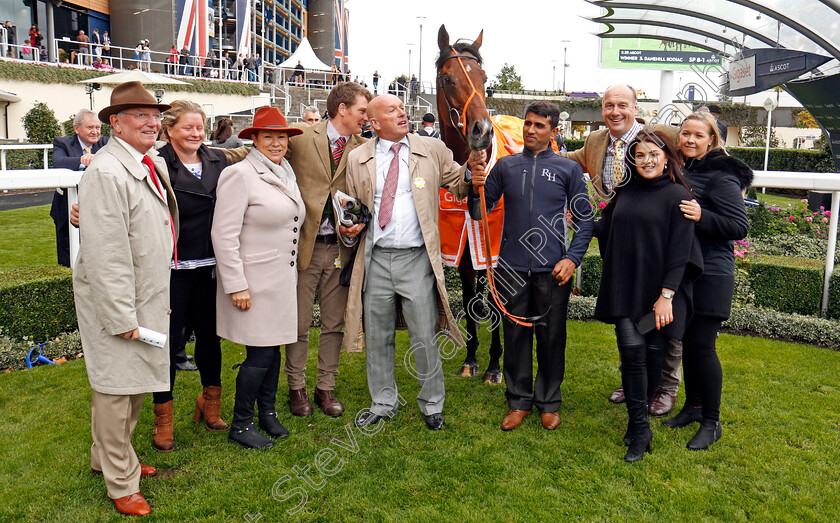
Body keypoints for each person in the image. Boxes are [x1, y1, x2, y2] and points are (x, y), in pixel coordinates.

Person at [341, 94, 482, 431]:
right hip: (375, 258)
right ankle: (383, 403)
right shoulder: (358, 157)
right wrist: (349, 226)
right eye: (392, 111)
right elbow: (349, 207)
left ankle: (433, 404)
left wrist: (473, 167)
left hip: (417, 259)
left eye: (402, 108)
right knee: (377, 337)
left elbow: (458, 182)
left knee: (424, 336)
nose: (402, 113)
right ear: (374, 123)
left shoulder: (430, 149)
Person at [73, 81, 175, 516]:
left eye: (155, 115)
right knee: (117, 391)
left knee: (133, 386)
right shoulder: (107, 171)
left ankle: (109, 459)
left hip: (145, 296)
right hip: (121, 302)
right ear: (114, 123)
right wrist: (121, 316)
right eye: (141, 116)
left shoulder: (147, 162)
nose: (153, 122)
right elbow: (106, 253)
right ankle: (120, 482)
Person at [469, 101, 593, 431]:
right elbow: (478, 211)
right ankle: (519, 401)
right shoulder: (506, 166)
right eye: (528, 123)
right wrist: (474, 184)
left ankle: (549, 402)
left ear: (555, 131)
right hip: (511, 267)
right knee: (515, 336)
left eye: (539, 125)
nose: (530, 129)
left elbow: (585, 220)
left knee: (552, 337)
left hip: (553, 269)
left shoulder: (568, 170)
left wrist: (572, 258)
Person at [563, 84, 682, 416]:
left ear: (635, 107)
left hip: (657, 241)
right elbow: (569, 162)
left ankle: (666, 387)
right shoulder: (595, 141)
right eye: (608, 105)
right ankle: (633, 380)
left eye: (622, 105)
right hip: (619, 239)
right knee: (628, 316)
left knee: (663, 316)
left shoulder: (659, 136)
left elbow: (690, 161)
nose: (615, 111)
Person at [593, 128, 703, 462]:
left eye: (653, 153)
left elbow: (680, 252)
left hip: (660, 293)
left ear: (667, 156)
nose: (647, 160)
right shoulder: (624, 192)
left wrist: (666, 295)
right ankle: (640, 428)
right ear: (632, 160)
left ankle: (637, 425)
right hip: (625, 288)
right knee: (631, 354)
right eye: (639, 155)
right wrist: (576, 217)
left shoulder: (679, 197)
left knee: (654, 356)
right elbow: (606, 228)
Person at [211, 106, 304, 449]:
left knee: (275, 350)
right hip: (253, 282)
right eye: (269, 136)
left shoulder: (286, 171)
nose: (277, 143)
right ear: (254, 139)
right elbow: (223, 235)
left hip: (280, 280)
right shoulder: (240, 174)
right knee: (261, 355)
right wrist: (236, 284)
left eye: (282, 136)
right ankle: (241, 422)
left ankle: (267, 413)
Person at [663, 112, 752, 450]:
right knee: (688, 343)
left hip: (712, 272)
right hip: (687, 270)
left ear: (711, 141)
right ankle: (693, 407)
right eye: (685, 133)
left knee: (703, 346)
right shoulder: (683, 170)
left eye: (698, 135)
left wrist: (703, 216)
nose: (689, 140)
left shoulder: (722, 175)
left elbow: (739, 226)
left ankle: (712, 421)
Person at [283, 82, 372, 418]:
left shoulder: (365, 150)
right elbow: (259, 154)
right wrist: (205, 153)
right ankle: (296, 388)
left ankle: (325, 387)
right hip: (304, 248)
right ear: (343, 109)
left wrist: (359, 222)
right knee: (299, 324)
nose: (366, 117)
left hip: (341, 250)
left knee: (334, 323)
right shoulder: (302, 137)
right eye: (363, 111)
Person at [149, 100, 230, 452]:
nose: (195, 134)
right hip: (172, 267)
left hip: (211, 265)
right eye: (187, 128)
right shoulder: (155, 162)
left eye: (200, 127)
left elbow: (251, 154)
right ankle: (163, 419)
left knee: (211, 340)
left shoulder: (218, 159)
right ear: (169, 130)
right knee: (167, 344)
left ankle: (210, 403)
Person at [50, 109, 109, 267]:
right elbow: (59, 162)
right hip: (67, 210)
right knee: (68, 258)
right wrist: (84, 160)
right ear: (77, 129)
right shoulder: (62, 143)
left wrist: (97, 158)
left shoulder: (106, 143)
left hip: (100, 208)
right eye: (90, 127)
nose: (95, 132)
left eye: (97, 128)